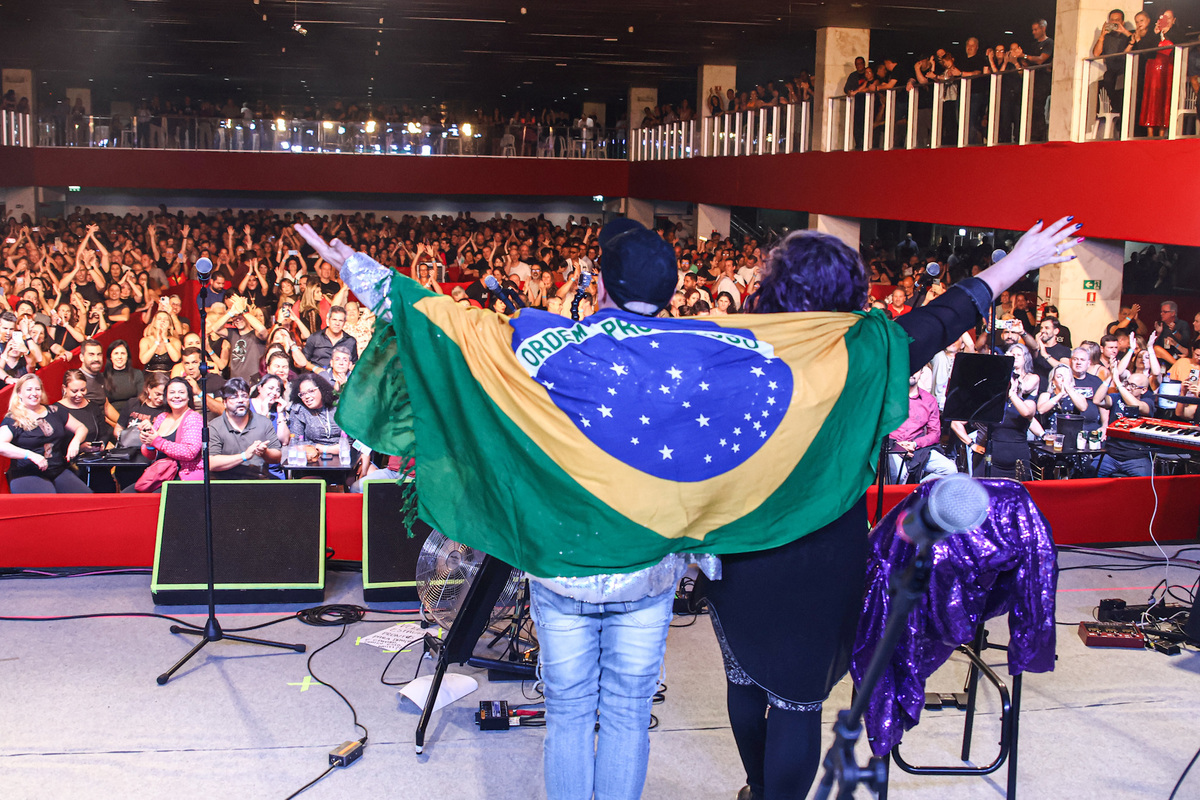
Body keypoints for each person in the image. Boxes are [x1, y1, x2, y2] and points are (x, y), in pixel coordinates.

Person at [297, 213, 1080, 800]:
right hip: (648, 575)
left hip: (565, 567)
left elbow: (453, 327)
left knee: (569, 712)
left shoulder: (547, 343)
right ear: (671, 292)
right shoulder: (716, 351)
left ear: (602, 287)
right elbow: (914, 333)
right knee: (627, 711)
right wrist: (1014, 263)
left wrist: (361, 270)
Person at [0, 374, 91, 494]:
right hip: (28, 472)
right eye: (29, 389)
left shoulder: (54, 411)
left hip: (57, 469)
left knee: (86, 498)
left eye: (37, 389)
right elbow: (1, 445)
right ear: (19, 393)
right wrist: (30, 455)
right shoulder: (13, 418)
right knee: (48, 500)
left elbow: (81, 428)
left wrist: (76, 442)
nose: (34, 393)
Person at [207, 378, 283, 479]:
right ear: (224, 402)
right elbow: (211, 463)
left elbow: (277, 457)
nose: (240, 400)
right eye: (234, 397)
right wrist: (244, 456)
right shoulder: (215, 426)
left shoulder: (263, 422)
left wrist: (265, 452)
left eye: (244, 396)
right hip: (225, 482)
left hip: (257, 481)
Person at [137, 376, 204, 485]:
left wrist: (157, 441)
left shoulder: (193, 418)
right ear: (166, 396)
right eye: (172, 392)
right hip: (161, 475)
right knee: (127, 493)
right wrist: (148, 442)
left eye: (181, 392)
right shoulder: (162, 417)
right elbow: (150, 455)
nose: (176, 396)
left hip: (183, 477)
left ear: (188, 397)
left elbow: (189, 452)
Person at [288, 372, 344, 460]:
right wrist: (325, 449)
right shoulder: (299, 410)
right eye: (302, 394)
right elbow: (296, 443)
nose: (306, 396)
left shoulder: (338, 405)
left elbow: (352, 438)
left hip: (345, 456)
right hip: (314, 459)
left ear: (321, 389)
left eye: (311, 391)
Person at [303, 304, 358, 369]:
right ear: (328, 320)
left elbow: (354, 364)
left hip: (341, 374)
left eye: (340, 320)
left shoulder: (350, 341)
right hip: (317, 374)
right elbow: (303, 362)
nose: (337, 323)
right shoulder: (315, 337)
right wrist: (316, 369)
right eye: (334, 320)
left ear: (344, 323)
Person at [104, 339, 144, 412]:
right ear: (110, 357)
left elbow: (141, 399)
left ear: (127, 356)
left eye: (123, 353)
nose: (119, 357)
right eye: (116, 353)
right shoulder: (103, 377)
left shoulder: (137, 374)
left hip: (133, 413)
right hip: (112, 414)